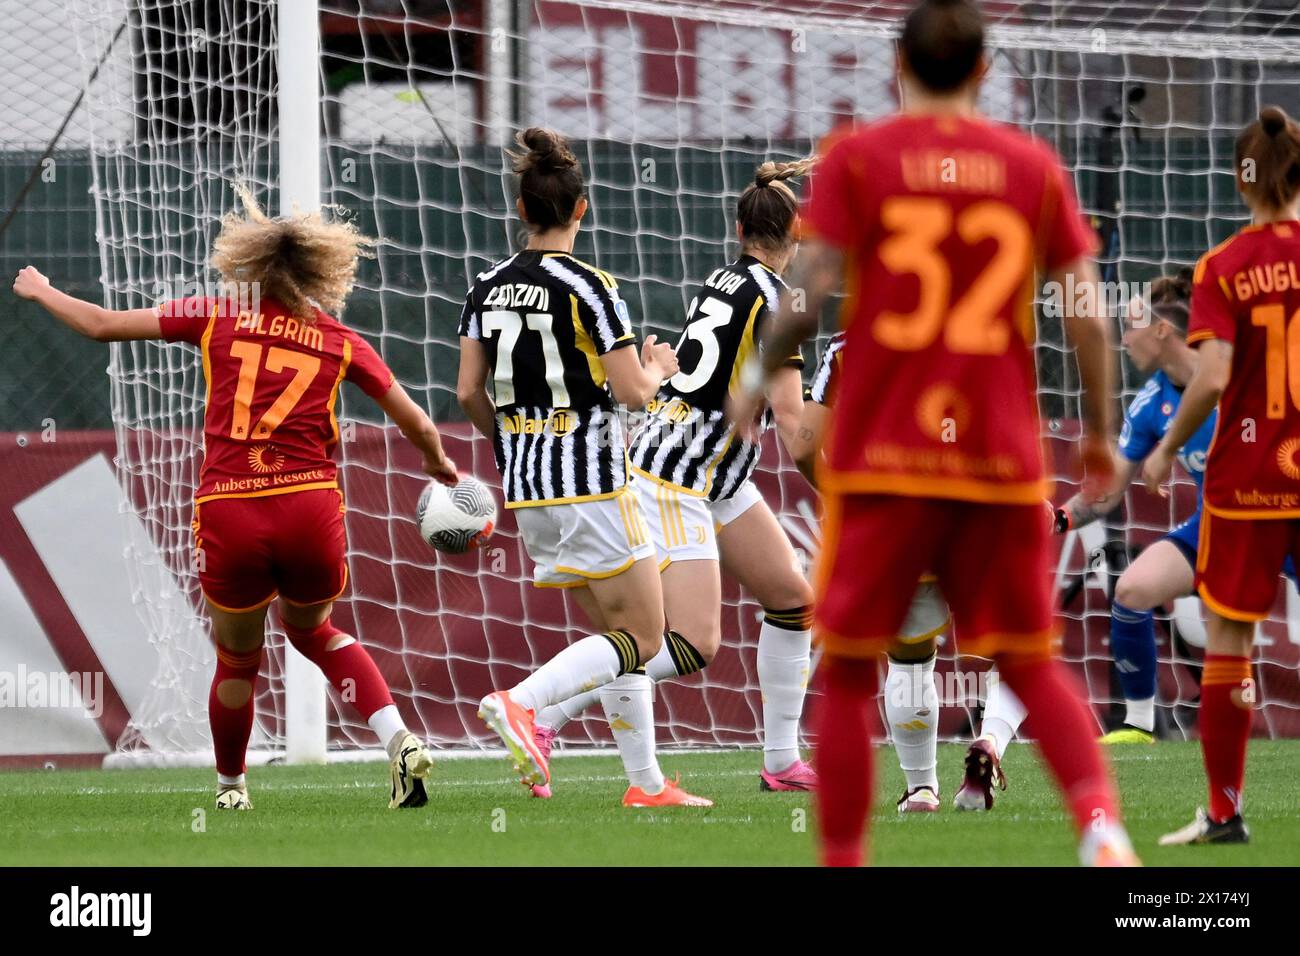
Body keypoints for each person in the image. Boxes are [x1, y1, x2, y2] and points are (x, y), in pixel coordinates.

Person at [730, 0, 1136, 866]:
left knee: (846, 669)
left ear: (899, 69)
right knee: (1028, 659)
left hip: (887, 459)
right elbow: (1087, 314)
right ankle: (1102, 829)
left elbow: (808, 294)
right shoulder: (1030, 166)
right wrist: (1100, 433)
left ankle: (844, 855)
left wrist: (760, 377)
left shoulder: (860, 160)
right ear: (985, 71)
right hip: (994, 457)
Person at [12, 188, 457, 810]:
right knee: (317, 632)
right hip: (309, 504)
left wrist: (42, 290)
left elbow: (102, 325)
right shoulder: (341, 341)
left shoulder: (216, 315)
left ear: (249, 265)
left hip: (233, 506)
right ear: (319, 272)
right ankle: (398, 738)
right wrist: (439, 465)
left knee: (238, 655)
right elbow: (418, 423)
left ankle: (230, 789)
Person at [536, 160, 819, 793]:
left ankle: (780, 763)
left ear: (739, 226)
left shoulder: (725, 278)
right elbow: (799, 425)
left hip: (710, 469)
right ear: (796, 233)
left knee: (793, 601)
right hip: (680, 475)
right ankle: (546, 709)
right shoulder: (783, 302)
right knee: (688, 643)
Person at [458, 128, 710, 807]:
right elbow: (631, 392)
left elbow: (465, 392)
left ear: (520, 210)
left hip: (530, 488)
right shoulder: (591, 286)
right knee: (645, 635)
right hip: (595, 478)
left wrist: (512, 445)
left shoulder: (485, 287)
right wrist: (659, 368)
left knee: (617, 637)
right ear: (582, 209)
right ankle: (524, 705)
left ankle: (646, 785)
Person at [1143, 104, 1300, 846]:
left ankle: (1225, 811)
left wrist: (1168, 446)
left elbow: (1211, 378)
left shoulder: (1225, 266)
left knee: (1231, 640)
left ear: (1243, 181)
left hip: (1248, 475)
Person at [1052, 270, 1213, 744]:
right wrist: (1059, 517)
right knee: (1134, 589)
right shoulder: (1151, 403)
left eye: (1133, 325)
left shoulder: (1232, 371)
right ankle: (1141, 724)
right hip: (1216, 525)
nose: (1124, 338)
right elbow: (1109, 488)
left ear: (1163, 330)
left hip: (1278, 518)